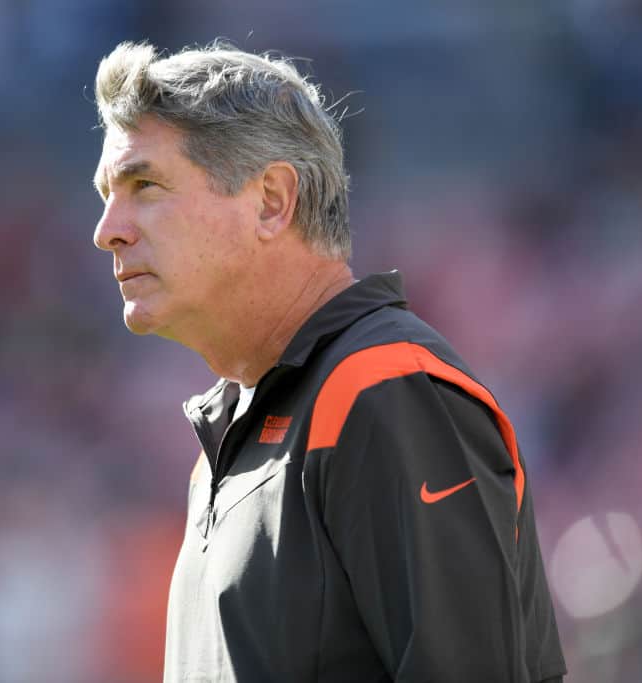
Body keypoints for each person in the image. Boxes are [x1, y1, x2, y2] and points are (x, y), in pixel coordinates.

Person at [91, 40, 567, 683]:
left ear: (271, 201)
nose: (107, 228)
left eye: (143, 184)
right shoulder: (233, 436)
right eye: (106, 193)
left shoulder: (385, 391)